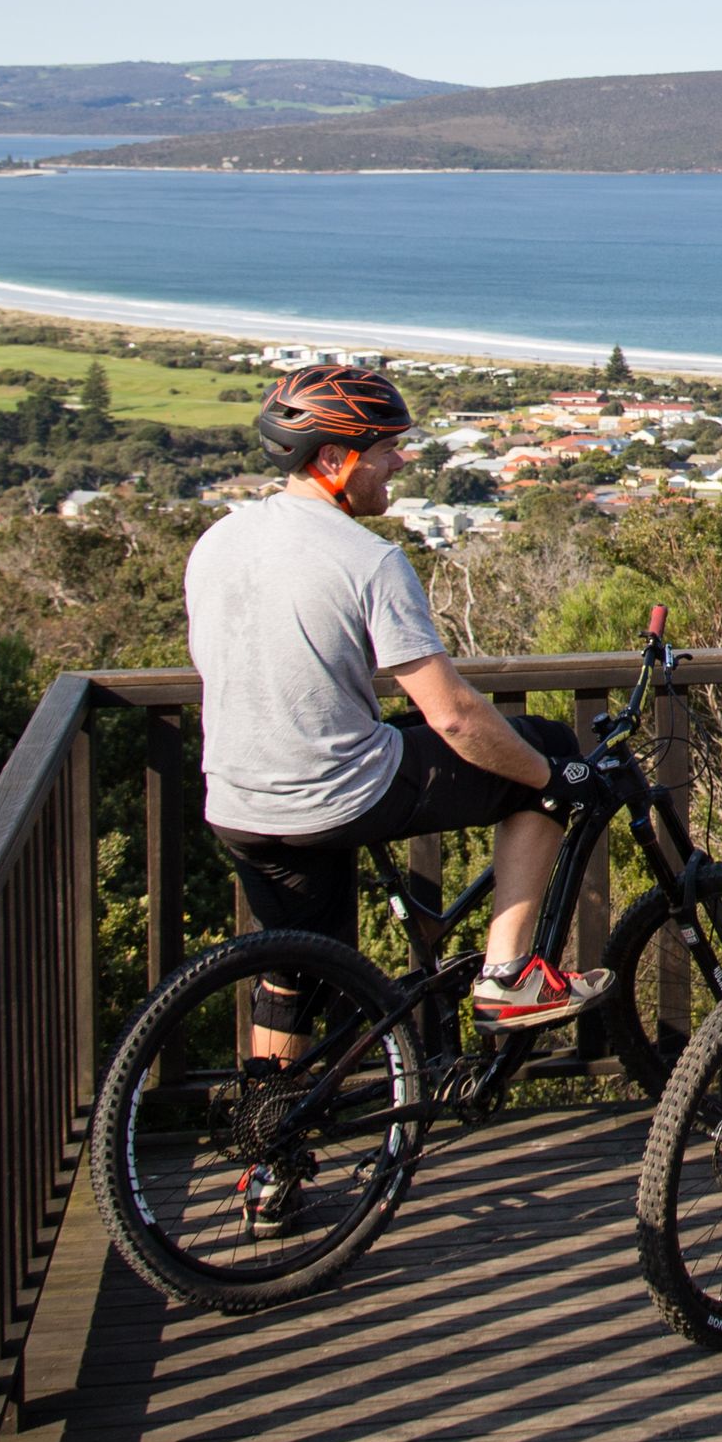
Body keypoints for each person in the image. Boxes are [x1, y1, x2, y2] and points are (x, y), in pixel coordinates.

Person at [184, 362, 612, 1106]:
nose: (400, 461)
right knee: (544, 754)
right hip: (339, 793)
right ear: (332, 460)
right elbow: (452, 715)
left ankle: (266, 1161)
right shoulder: (367, 559)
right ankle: (507, 978)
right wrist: (553, 779)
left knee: (291, 977)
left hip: (239, 800)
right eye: (385, 448)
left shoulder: (220, 539)